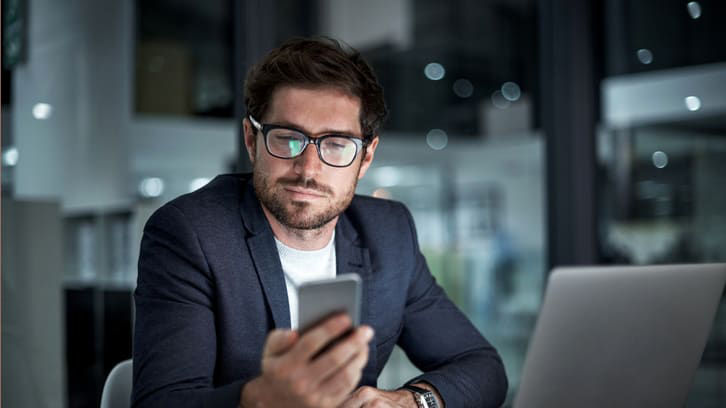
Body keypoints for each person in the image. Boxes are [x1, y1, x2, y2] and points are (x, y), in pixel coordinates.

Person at [132, 37, 507, 408]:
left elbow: (482, 368)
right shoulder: (191, 233)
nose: (308, 170)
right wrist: (260, 400)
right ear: (251, 139)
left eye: (337, 144)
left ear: (366, 157)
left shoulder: (388, 232)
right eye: (288, 138)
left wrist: (409, 402)